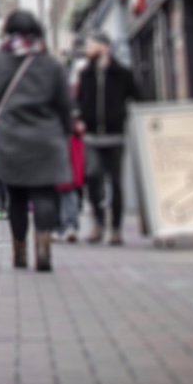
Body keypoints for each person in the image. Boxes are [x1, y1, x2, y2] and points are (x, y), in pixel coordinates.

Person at [0, 10, 73, 272]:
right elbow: (65, 105)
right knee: (45, 193)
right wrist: (64, 132)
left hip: (11, 140)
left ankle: (19, 252)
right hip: (47, 139)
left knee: (17, 197)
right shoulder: (50, 65)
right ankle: (43, 249)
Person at [76, 30, 142, 245]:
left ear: (104, 47)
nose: (87, 50)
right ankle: (98, 224)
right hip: (92, 136)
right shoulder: (85, 74)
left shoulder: (122, 73)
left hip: (115, 136)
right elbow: (79, 102)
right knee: (93, 181)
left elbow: (139, 96)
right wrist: (79, 119)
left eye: (90, 45)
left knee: (116, 183)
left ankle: (115, 229)